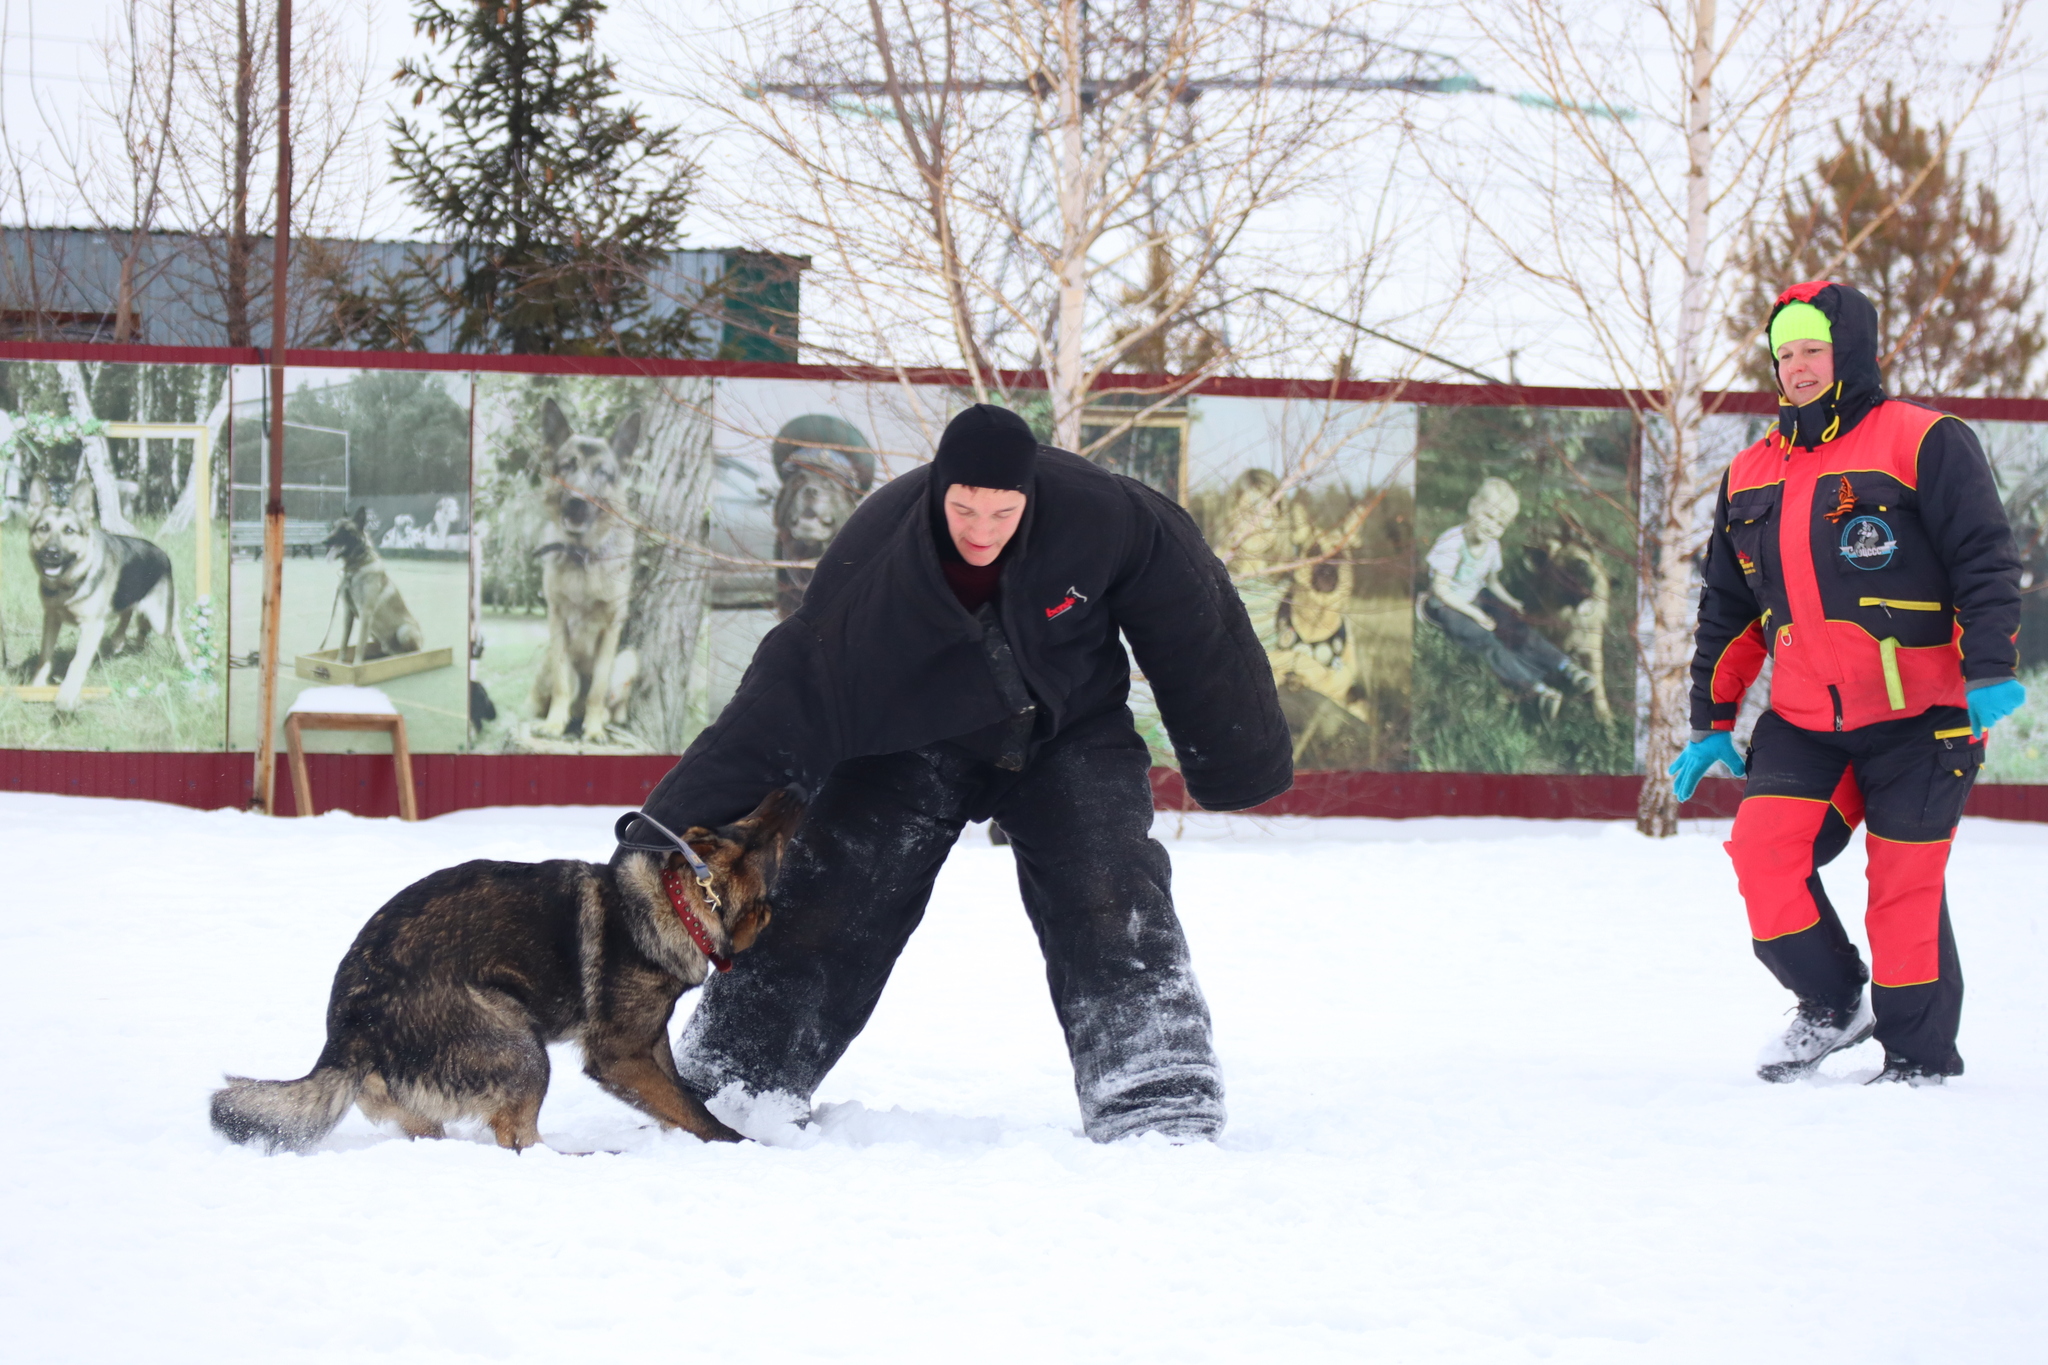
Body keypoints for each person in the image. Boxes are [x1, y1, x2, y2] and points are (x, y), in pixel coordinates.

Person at [617, 403, 1292, 1141]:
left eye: (1001, 511)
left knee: (1110, 883)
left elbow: (1190, 607)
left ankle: (1156, 1096)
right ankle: (734, 1079)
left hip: (1067, 727)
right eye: (965, 508)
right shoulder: (878, 554)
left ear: (1029, 495)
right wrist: (659, 836)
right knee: (833, 892)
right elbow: (780, 705)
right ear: (940, 488)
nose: (981, 529)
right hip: (910, 739)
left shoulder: (1102, 514)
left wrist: (1236, 756)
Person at [1669, 280, 2027, 1085]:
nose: (1797, 367)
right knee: (1764, 851)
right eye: (1785, 353)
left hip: (1922, 717)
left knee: (1903, 881)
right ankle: (1832, 1002)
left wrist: (1991, 669)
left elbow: (1985, 556)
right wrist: (1712, 720)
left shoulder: (1923, 440)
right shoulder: (1749, 473)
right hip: (1805, 720)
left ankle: (1918, 1057)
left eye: (1813, 350)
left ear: (1851, 352)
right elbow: (1730, 610)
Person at [1420, 476, 1592, 720]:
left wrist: (1510, 602)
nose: (1492, 527)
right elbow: (1441, 590)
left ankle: (1565, 667)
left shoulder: (1491, 546)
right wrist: (1475, 613)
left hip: (1475, 596)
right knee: (1484, 638)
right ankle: (1535, 690)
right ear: (1472, 507)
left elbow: (1491, 582)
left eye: (1500, 524)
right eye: (1488, 516)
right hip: (1446, 605)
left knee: (1514, 626)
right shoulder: (1452, 542)